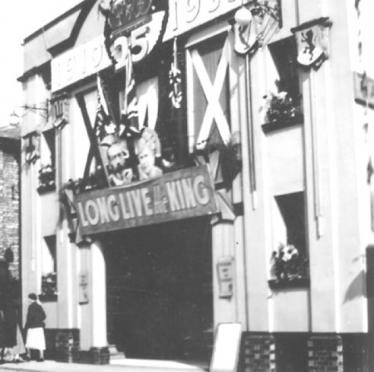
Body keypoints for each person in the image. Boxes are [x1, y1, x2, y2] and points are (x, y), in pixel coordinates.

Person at [24, 293, 46, 362]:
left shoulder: (30, 306)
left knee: (29, 341)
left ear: (30, 299)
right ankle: (41, 356)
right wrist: (39, 320)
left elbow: (29, 317)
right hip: (39, 326)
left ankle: (28, 355)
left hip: (32, 326)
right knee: (40, 341)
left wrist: (26, 326)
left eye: (28, 298)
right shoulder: (39, 306)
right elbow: (44, 316)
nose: (28, 299)